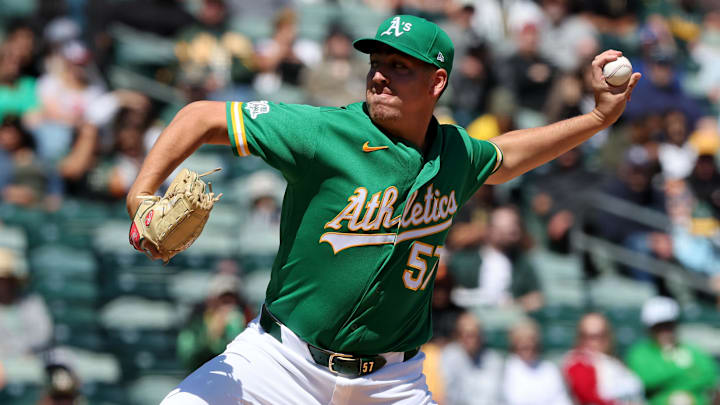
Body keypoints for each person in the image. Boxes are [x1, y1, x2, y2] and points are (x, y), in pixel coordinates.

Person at [126, 14, 640, 405]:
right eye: (376, 64)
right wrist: (141, 193)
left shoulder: (457, 153)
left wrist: (597, 117)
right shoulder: (326, 133)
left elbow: (506, 156)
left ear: (437, 83)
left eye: (399, 67)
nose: (379, 77)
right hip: (281, 360)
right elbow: (199, 117)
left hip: (392, 383)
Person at [626, 296, 719, 405]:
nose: (665, 331)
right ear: (649, 329)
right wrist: (688, 372)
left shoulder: (692, 350)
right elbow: (647, 380)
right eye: (659, 327)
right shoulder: (639, 353)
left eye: (669, 326)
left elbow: (709, 376)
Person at [563, 313, 644, 405]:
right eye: (586, 336)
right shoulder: (578, 364)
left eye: (599, 336)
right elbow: (589, 398)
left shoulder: (616, 363)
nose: (592, 342)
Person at [502, 318, 573, 405]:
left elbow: (561, 400)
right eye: (521, 340)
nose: (526, 344)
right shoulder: (504, 370)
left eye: (531, 339)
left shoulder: (549, 369)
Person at [441, 311, 504, 405]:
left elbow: (496, 394)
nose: (469, 339)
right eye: (465, 334)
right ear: (458, 336)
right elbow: (446, 393)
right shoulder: (448, 356)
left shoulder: (494, 359)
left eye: (473, 334)